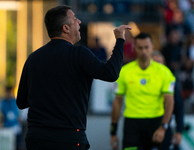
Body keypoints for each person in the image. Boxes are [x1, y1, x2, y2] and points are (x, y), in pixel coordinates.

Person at [16, 5, 131, 150]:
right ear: (66, 28)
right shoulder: (79, 54)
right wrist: (120, 40)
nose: (79, 22)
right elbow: (111, 73)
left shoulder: (33, 58)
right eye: (75, 19)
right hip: (68, 136)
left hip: (36, 136)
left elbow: (21, 102)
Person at [110, 32, 175, 150]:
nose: (144, 51)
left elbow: (169, 101)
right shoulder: (124, 72)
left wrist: (163, 127)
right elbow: (117, 102)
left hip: (155, 123)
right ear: (134, 49)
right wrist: (113, 132)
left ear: (152, 48)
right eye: (140, 48)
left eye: (147, 47)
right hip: (132, 124)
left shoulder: (164, 72)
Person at [152, 51, 184, 150]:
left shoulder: (170, 81)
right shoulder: (139, 81)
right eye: (154, 62)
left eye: (159, 62)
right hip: (141, 128)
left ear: (164, 65)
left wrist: (179, 131)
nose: (157, 65)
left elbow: (178, 107)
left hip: (164, 128)